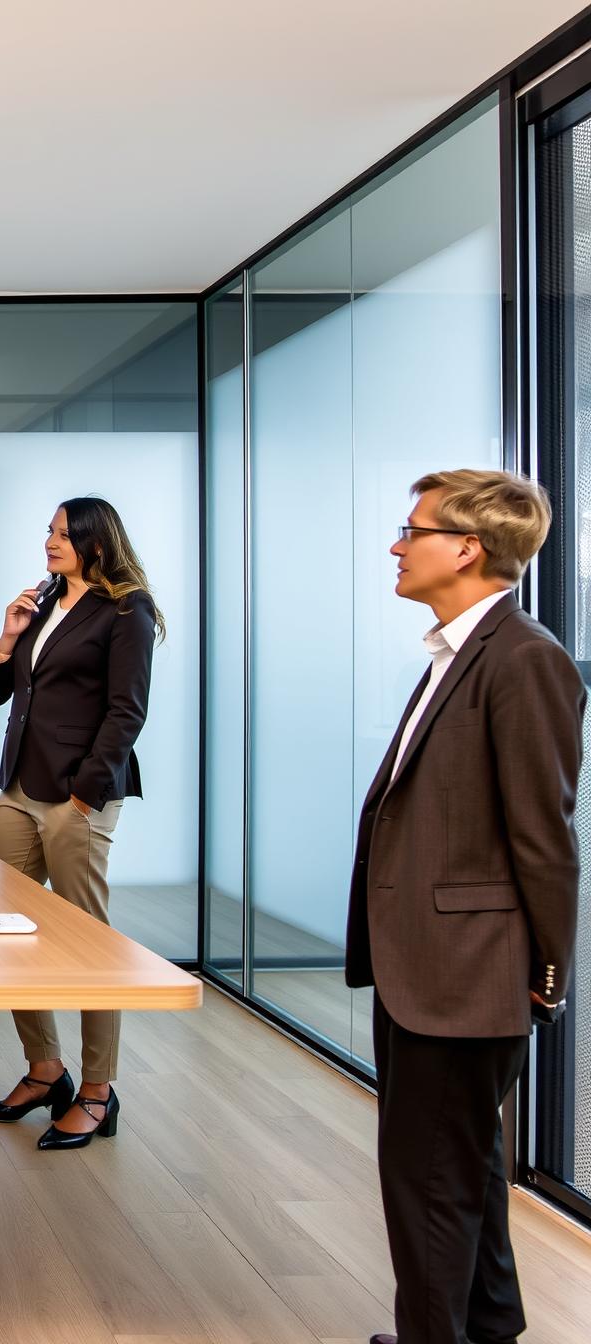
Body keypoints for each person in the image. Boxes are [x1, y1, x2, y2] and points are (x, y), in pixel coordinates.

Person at [350, 470, 581, 1344]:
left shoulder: (525, 660)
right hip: (430, 962)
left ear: (467, 548)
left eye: (411, 530)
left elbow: (546, 839)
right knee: (466, 1161)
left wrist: (548, 975)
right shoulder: (460, 651)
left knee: (427, 1179)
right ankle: (487, 1325)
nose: (397, 546)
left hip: (467, 971)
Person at [0, 496, 160, 1150]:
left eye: (60, 534)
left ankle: (99, 1092)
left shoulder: (128, 610)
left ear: (95, 543)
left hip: (77, 795)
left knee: (88, 946)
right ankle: (46, 1069)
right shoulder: (45, 600)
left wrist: (82, 796)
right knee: (1, 929)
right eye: (47, 530)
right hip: (19, 787)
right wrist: (9, 637)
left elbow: (126, 711)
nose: (48, 542)